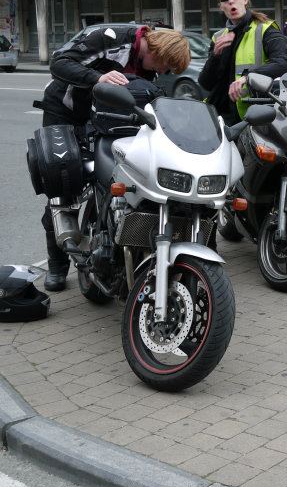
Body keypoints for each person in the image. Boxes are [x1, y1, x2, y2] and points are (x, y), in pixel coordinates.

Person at [40, 25, 191, 291]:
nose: (165, 71)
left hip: (107, 116)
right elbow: (59, 63)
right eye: (167, 65)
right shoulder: (109, 38)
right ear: (159, 51)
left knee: (117, 173)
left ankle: (111, 243)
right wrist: (98, 77)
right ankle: (57, 265)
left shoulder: (150, 68)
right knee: (64, 179)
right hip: (67, 110)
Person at [199, 0, 287, 126]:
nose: (230, 1)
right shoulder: (218, 37)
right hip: (218, 117)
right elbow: (205, 83)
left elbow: (285, 63)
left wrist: (247, 78)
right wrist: (215, 56)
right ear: (221, 7)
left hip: (252, 116)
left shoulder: (265, 29)